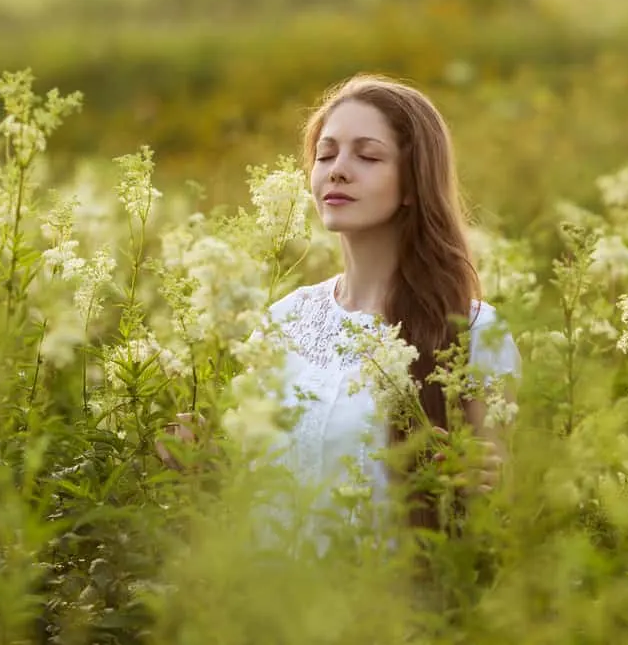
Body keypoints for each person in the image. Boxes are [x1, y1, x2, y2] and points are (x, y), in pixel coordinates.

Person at [157, 73, 522, 543]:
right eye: (326, 154)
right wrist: (202, 455)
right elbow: (250, 488)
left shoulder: (474, 332)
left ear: (413, 183)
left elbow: (501, 517)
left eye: (367, 156)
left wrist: (487, 482)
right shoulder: (285, 320)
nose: (338, 170)